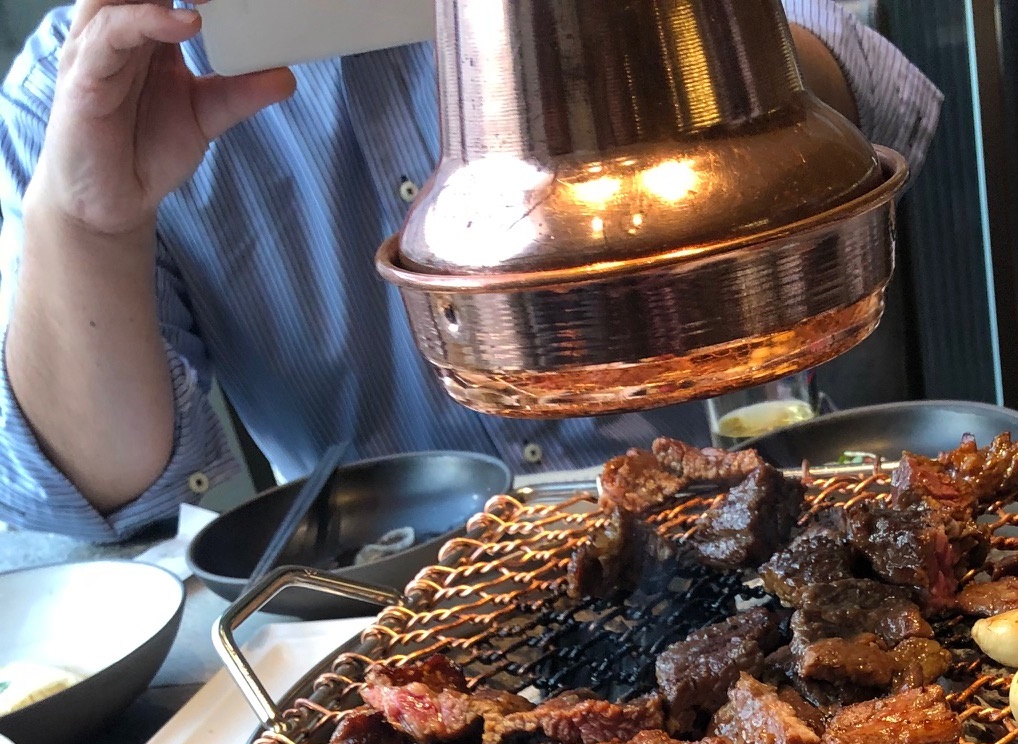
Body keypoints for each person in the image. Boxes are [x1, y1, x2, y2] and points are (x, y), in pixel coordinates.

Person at [0, 0, 941, 537]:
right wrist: (84, 225)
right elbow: (95, 500)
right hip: (387, 589)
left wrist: (669, 37)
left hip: (746, 502)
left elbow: (874, 99)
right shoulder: (95, 74)